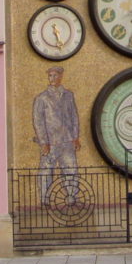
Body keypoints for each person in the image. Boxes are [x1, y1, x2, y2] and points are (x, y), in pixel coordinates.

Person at [32, 67, 81, 206]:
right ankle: (44, 200)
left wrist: (75, 137)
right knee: (46, 171)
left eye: (55, 75)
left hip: (67, 141)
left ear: (61, 76)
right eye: (50, 76)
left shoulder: (68, 95)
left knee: (71, 169)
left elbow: (74, 116)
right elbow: (38, 121)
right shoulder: (42, 98)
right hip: (51, 142)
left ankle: (72, 198)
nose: (52, 78)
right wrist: (44, 142)